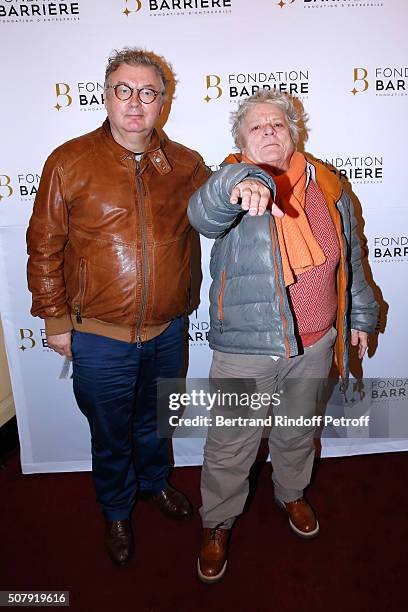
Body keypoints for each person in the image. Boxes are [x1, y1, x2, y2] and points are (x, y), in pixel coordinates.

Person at [26, 47, 213, 566]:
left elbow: (217, 211)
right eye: (124, 90)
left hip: (168, 329)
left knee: (157, 421)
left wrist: (251, 177)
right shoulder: (69, 161)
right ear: (105, 96)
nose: (136, 102)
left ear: (163, 102)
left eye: (148, 92)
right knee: (109, 433)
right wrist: (56, 319)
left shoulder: (186, 165)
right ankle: (115, 510)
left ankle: (155, 484)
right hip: (98, 334)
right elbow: (45, 244)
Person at [188, 90, 378, 583]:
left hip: (314, 343)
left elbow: (351, 259)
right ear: (240, 141)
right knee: (231, 444)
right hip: (246, 350)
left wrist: (360, 315)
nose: (270, 132)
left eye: (278, 125)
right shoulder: (230, 183)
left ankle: (290, 493)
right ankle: (218, 522)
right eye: (257, 127)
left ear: (294, 132)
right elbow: (203, 214)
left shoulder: (327, 184)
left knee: (296, 433)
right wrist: (242, 181)